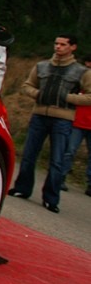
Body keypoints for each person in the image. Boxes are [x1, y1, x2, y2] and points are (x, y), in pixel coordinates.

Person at [8, 34, 91, 213]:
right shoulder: (42, 66)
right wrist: (38, 94)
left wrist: (67, 97)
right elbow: (26, 86)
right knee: (29, 155)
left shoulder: (81, 71)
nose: (58, 47)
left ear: (73, 47)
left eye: (63, 44)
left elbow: (89, 97)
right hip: (39, 115)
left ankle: (51, 198)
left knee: (57, 159)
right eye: (56, 43)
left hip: (63, 119)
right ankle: (22, 188)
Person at [61, 53, 91, 196]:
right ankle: (60, 177)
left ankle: (90, 184)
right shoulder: (79, 79)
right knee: (69, 150)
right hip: (77, 121)